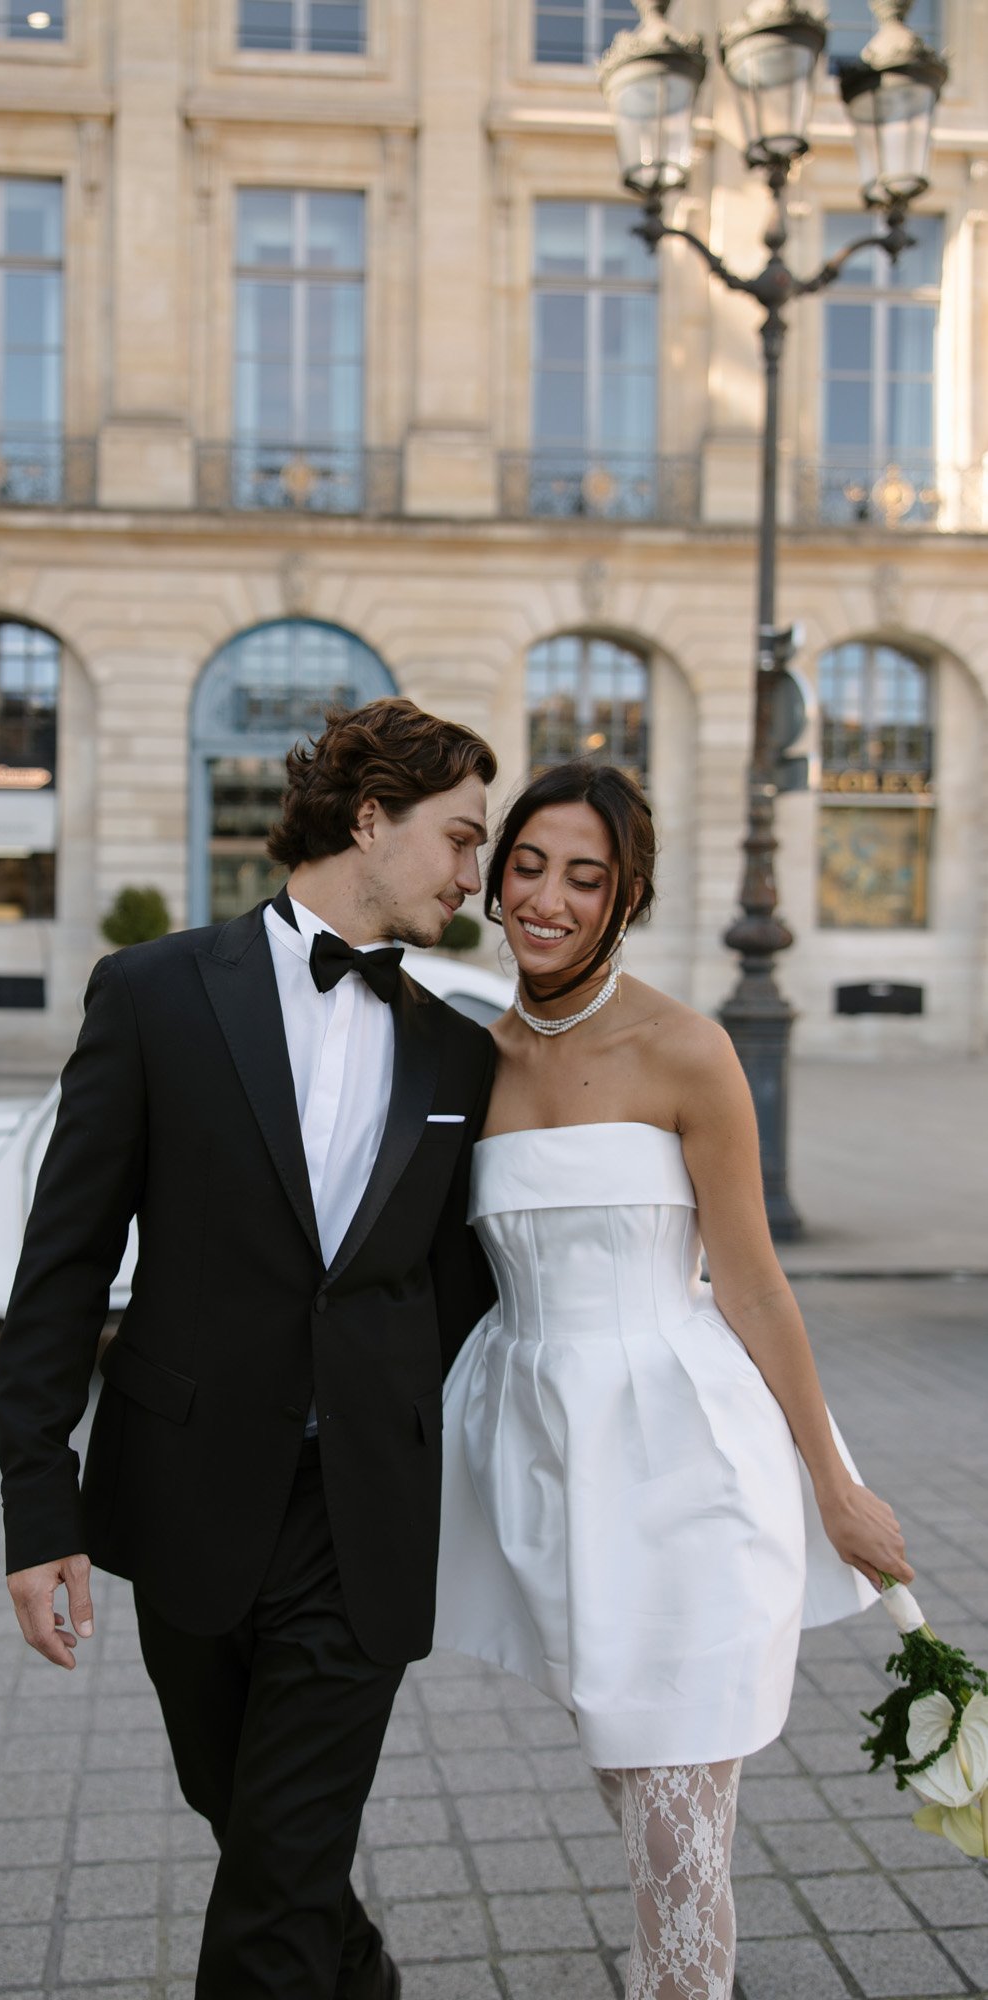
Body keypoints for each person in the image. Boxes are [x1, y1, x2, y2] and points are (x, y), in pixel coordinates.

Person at [0, 697, 499, 2000]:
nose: (472, 876)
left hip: (359, 1527)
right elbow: (61, 1264)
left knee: (275, 1879)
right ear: (370, 820)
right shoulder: (157, 993)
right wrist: (36, 1505)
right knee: (263, 1840)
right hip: (190, 1506)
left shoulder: (456, 1048)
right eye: (458, 838)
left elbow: (454, 1287)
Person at [434, 760, 913, 2000]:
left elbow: (752, 1285)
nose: (547, 898)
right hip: (547, 1474)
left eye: (583, 877)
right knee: (634, 1788)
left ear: (625, 896)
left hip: (687, 1461)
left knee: (676, 1836)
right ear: (494, 878)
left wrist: (835, 1485)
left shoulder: (686, 1050)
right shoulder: (464, 1060)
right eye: (527, 865)